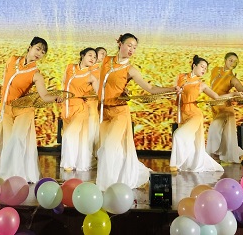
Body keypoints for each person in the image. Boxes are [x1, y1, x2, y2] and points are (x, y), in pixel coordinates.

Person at [96, 33, 179, 191]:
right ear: (120, 44)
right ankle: (128, 178)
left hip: (119, 112)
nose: (131, 49)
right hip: (102, 112)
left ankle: (107, 187)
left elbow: (150, 88)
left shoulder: (131, 70)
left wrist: (171, 89)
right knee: (107, 150)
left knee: (109, 149)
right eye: (129, 45)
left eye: (134, 47)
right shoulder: (106, 60)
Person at [0, 37, 62, 183]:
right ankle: (9, 173)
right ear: (29, 47)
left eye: (43, 52)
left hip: (24, 110)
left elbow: (44, 95)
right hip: (7, 109)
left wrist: (56, 97)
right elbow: (5, 81)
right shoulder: (12, 60)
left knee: (17, 140)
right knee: (8, 142)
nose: (39, 53)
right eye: (38, 49)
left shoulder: (36, 74)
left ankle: (18, 175)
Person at [170, 55, 237, 172]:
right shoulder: (180, 77)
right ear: (194, 65)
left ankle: (175, 164)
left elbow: (217, 97)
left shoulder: (201, 85)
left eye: (206, 68)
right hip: (182, 114)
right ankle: (186, 163)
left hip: (194, 115)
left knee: (178, 135)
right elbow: (173, 90)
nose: (204, 70)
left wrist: (233, 94)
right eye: (202, 66)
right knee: (189, 141)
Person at [60, 47, 99, 171]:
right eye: (90, 55)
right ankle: (75, 164)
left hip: (80, 109)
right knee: (76, 138)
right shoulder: (69, 67)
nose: (93, 58)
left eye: (95, 57)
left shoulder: (91, 77)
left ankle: (69, 165)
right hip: (66, 108)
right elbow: (63, 84)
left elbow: (101, 92)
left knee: (68, 136)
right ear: (82, 55)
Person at [206, 52, 243, 163]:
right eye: (231, 60)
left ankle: (212, 157)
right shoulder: (215, 69)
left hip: (225, 108)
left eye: (235, 62)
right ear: (225, 60)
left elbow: (242, 92)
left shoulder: (232, 79)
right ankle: (240, 153)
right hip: (215, 107)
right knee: (225, 137)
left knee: (214, 129)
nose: (233, 63)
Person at [87, 46, 107, 161]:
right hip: (90, 104)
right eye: (101, 53)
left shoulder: (102, 70)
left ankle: (95, 154)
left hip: (98, 104)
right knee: (90, 129)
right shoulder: (89, 70)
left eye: (105, 54)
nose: (104, 56)